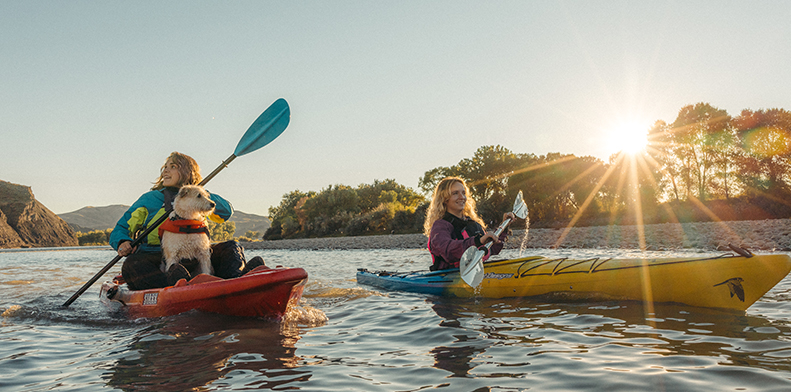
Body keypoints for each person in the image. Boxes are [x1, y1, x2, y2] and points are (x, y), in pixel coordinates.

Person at [109, 152, 265, 290]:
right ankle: (173, 283)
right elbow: (120, 229)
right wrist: (122, 241)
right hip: (156, 258)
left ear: (186, 172)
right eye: (165, 167)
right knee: (132, 265)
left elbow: (226, 212)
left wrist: (200, 192)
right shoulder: (149, 199)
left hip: (195, 256)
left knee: (232, 246)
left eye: (172, 166)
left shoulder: (200, 197)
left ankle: (238, 279)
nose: (166, 171)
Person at [423, 177, 514, 271]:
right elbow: (447, 251)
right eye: (455, 193)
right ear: (444, 199)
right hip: (448, 277)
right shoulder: (440, 226)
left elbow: (491, 249)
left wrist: (504, 226)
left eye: (463, 193)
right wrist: (478, 241)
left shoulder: (473, 224)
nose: (462, 197)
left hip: (476, 272)